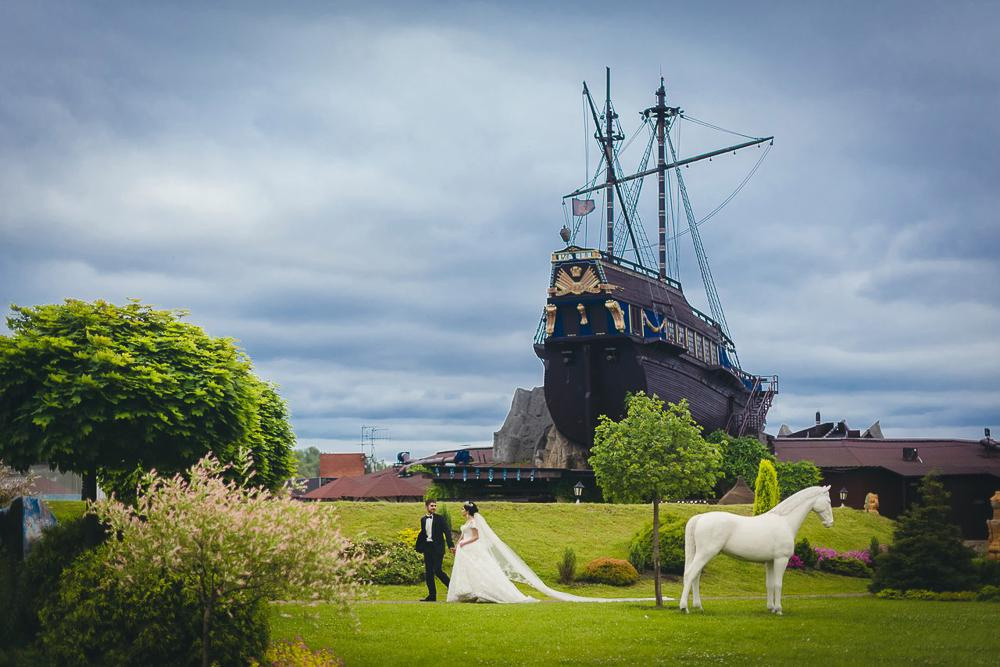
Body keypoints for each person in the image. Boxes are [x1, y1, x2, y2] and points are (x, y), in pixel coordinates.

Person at [446, 501, 652, 604]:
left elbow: (476, 537)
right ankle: (469, 592)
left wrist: (464, 543)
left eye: (463, 509)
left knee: (482, 570)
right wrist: (459, 543)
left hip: (472, 548)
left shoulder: (474, 522)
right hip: (466, 549)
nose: (461, 511)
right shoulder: (467, 522)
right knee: (471, 571)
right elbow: (465, 534)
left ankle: (486, 592)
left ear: (468, 510)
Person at [415, 499, 454, 601]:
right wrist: (419, 546)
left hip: (438, 548)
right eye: (432, 506)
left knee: (438, 570)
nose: (434, 507)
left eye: (435, 506)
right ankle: (432, 595)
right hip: (427, 547)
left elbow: (447, 532)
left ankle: (452, 588)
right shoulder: (423, 520)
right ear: (426, 507)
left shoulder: (440, 519)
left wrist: (450, 545)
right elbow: (423, 533)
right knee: (428, 572)